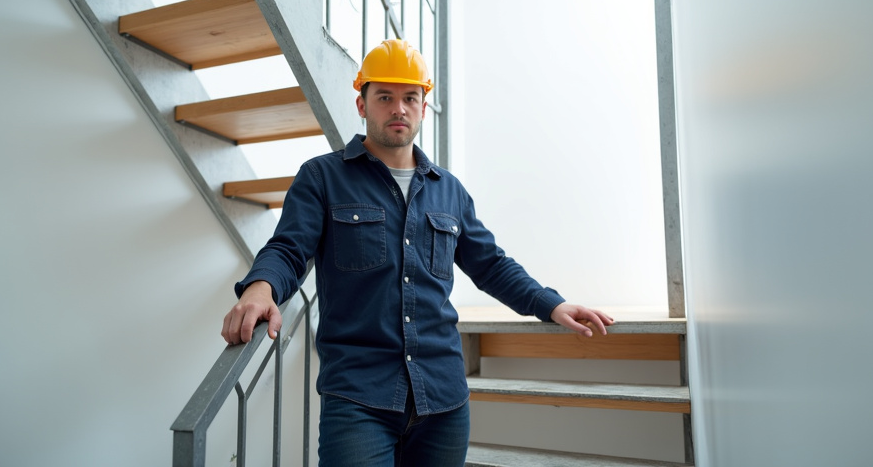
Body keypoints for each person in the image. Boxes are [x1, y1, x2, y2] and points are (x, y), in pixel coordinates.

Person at [221, 39, 614, 466]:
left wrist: (551, 304)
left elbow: (491, 265)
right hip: (358, 399)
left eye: (410, 98)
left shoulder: (450, 191)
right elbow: (288, 248)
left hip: (443, 400)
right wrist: (260, 290)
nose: (399, 108)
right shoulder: (323, 177)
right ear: (362, 104)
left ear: (423, 108)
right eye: (384, 97)